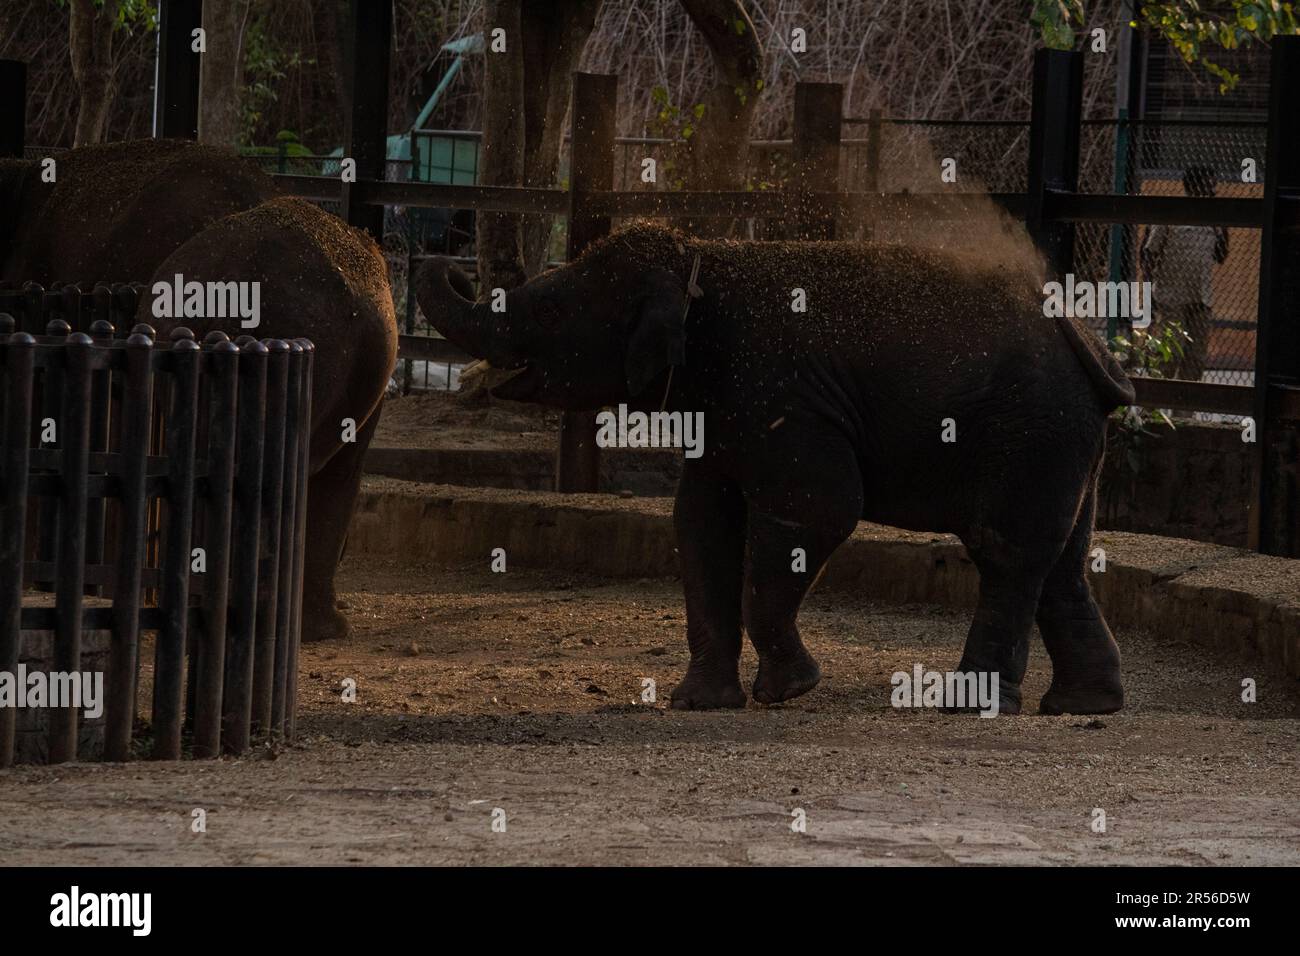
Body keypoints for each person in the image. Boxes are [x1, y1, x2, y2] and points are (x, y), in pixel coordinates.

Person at [1139, 165, 1229, 381]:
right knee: (1170, 353)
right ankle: (1154, 404)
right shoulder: (1173, 213)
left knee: (1195, 358)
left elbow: (1221, 256)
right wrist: (1149, 285)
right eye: (1209, 184)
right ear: (1194, 186)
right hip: (1172, 296)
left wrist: (1220, 226)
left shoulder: (1214, 218)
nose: (1213, 189)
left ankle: (1185, 412)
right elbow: (1149, 251)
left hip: (1201, 297)